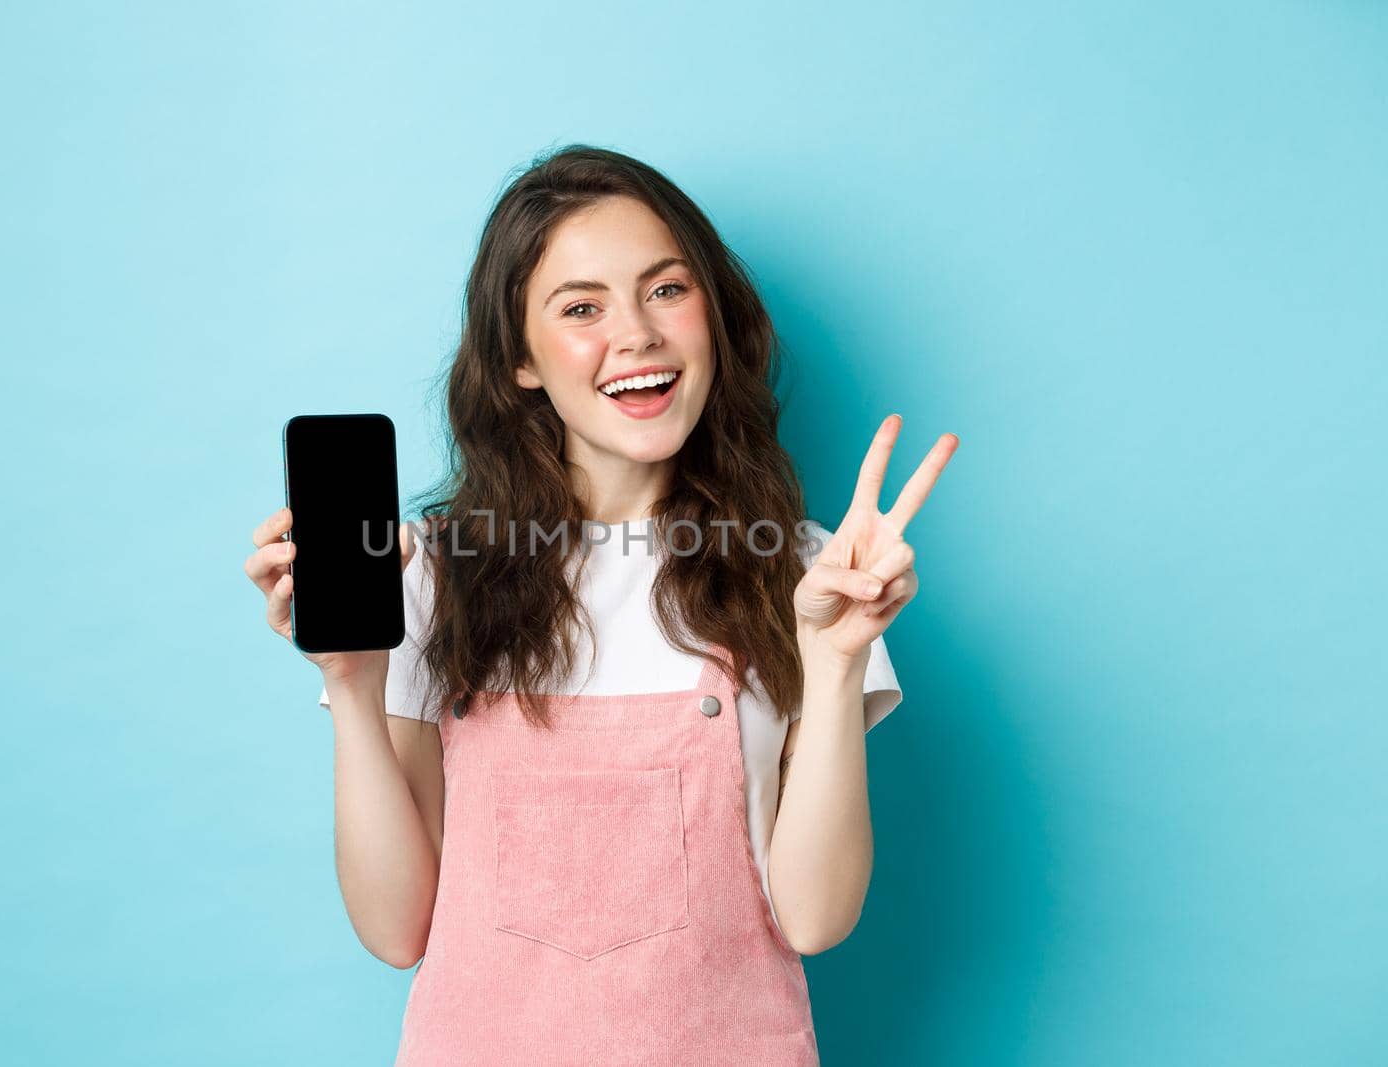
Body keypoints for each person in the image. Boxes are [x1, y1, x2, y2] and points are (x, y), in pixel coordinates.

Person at [244, 144, 958, 1066]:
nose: (637, 334)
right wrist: (351, 683)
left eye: (665, 289)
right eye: (581, 307)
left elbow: (817, 918)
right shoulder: (427, 576)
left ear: (715, 318)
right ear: (518, 363)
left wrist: (836, 658)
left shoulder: (810, 577)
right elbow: (396, 928)